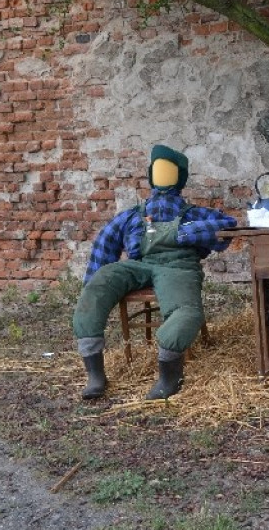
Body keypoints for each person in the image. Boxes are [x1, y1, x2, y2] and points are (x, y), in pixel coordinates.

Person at [73, 145, 238, 400]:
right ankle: (95, 375)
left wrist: (185, 233)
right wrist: (92, 287)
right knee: (97, 288)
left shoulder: (192, 214)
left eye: (169, 170)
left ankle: (169, 375)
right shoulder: (134, 215)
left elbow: (226, 228)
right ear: (150, 174)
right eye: (158, 169)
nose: (163, 175)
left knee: (186, 312)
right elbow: (104, 245)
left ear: (181, 177)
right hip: (139, 265)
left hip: (178, 268)